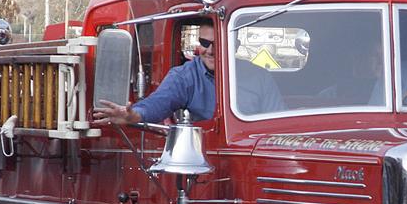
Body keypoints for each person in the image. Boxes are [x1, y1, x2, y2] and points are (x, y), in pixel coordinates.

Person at [92, 23, 283, 126]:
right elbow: (160, 101)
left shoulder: (259, 77)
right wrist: (134, 115)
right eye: (204, 43)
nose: (210, 50)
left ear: (235, 45)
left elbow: (277, 122)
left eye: (217, 44)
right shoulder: (185, 76)